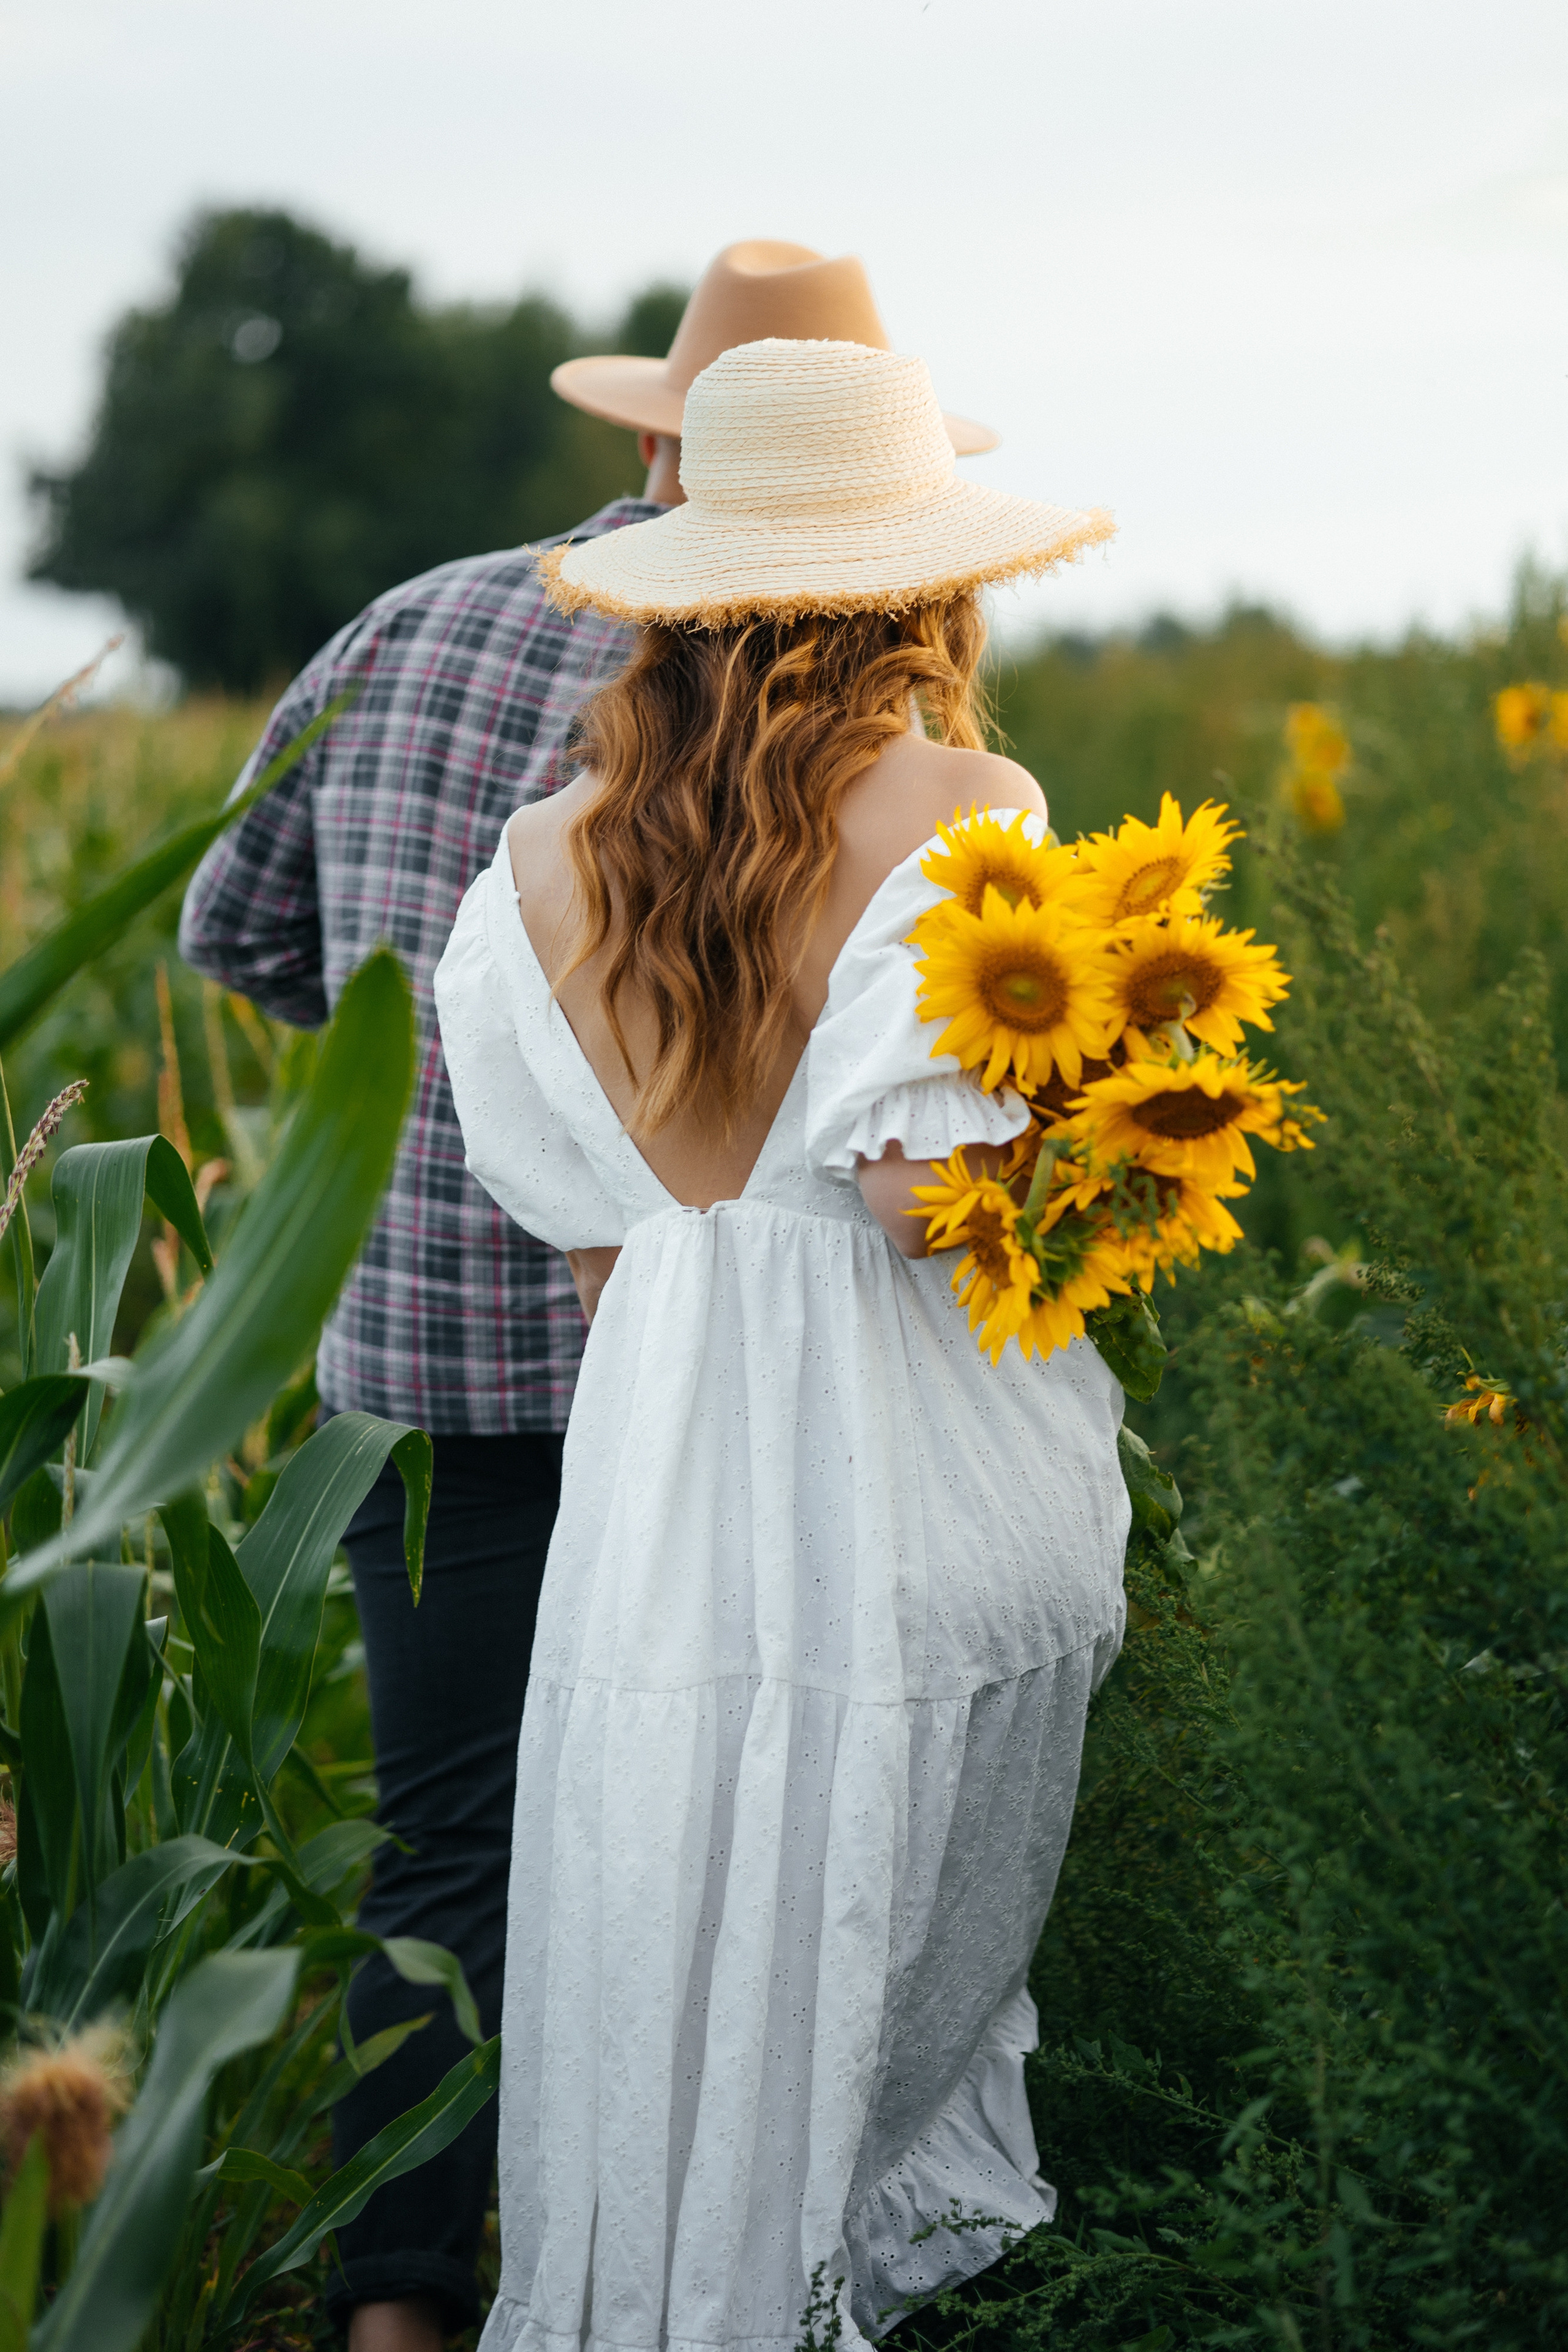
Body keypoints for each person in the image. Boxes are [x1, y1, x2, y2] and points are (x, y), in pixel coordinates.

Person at [177, 244, 999, 2352]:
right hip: (760, 1398)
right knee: (737, 1842)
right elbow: (896, 1091)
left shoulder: (399, 631)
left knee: (453, 1849)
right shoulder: (864, 724)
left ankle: (396, 2308)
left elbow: (238, 935)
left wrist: (426, 1074)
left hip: (429, 1354)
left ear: (657, 426)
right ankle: (734, 2263)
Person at [433, 336, 1127, 2352]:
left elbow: (591, 1256)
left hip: (660, 1487)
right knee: (867, 1947)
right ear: (913, 575)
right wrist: (1104, 1122)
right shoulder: (966, 799)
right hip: (910, 1473)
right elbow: (926, 1202)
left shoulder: (538, 861)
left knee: (673, 1903)